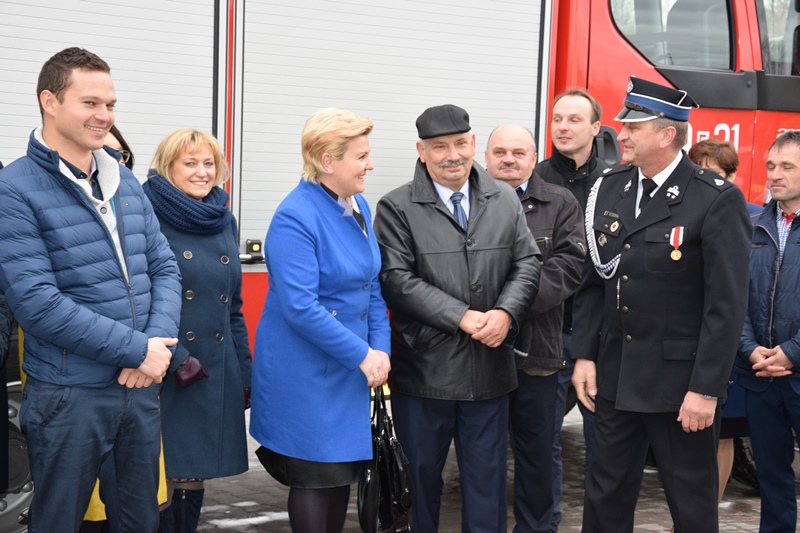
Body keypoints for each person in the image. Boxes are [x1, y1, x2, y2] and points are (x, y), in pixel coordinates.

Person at [0, 47, 182, 532]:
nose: (105, 115)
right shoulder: (13, 189)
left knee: (140, 521)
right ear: (50, 102)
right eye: (90, 103)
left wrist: (154, 345)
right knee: (59, 521)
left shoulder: (124, 181)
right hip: (69, 396)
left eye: (110, 104)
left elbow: (164, 267)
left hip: (138, 387)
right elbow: (37, 302)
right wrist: (137, 350)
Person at [571, 76, 751, 533]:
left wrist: (706, 390)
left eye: (633, 127)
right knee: (604, 496)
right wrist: (585, 355)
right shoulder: (609, 187)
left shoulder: (715, 198)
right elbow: (594, 281)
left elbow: (725, 306)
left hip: (679, 386)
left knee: (691, 504)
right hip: (615, 376)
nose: (622, 134)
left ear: (667, 134)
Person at [373, 104, 541, 532]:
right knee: (418, 486)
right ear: (421, 151)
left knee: (487, 486)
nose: (453, 155)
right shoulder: (396, 206)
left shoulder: (504, 198)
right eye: (440, 147)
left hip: (490, 372)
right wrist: (461, 317)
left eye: (461, 144)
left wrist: (505, 312)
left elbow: (528, 262)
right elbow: (395, 279)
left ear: (473, 143)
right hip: (424, 374)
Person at [249, 108, 391, 533]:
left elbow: (372, 284)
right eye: (361, 156)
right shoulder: (295, 216)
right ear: (328, 161)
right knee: (314, 476)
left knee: (340, 472)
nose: (370, 165)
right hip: (307, 373)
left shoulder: (357, 204)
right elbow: (300, 307)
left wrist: (380, 348)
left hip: (349, 366)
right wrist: (363, 354)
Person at [143, 128, 253, 532]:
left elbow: (233, 308)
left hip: (211, 368)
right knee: (161, 477)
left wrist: (245, 371)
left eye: (209, 163)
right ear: (167, 166)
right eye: (190, 163)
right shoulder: (145, 213)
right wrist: (175, 358)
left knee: (194, 473)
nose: (202, 172)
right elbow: (138, 300)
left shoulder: (223, 218)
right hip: (163, 366)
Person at [485, 124, 585, 533]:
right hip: (479, 353)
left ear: (533, 157)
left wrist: (506, 310)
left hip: (539, 355)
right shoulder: (467, 201)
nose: (508, 159)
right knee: (483, 457)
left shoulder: (560, 203)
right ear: (486, 157)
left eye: (518, 152)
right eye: (500, 152)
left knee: (539, 454)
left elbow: (568, 268)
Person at [536, 88, 608, 530]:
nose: (562, 127)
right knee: (542, 446)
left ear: (596, 128)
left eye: (574, 119)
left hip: (599, 339)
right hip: (546, 333)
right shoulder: (535, 179)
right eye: (557, 118)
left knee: (606, 447)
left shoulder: (616, 183)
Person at [736, 129, 800, 533]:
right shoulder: (751, 225)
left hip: (796, 370)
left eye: (787, 166)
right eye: (771, 165)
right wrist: (748, 348)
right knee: (772, 476)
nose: (775, 174)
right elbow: (732, 295)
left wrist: (793, 352)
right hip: (759, 375)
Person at [686, 138, 751, 506]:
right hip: (688, 343)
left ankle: (707, 510)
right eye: (699, 171)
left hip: (732, 346)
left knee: (723, 433)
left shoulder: (749, 213)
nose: (706, 180)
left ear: (731, 176)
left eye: (714, 173)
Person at [689, 138, 762, 215]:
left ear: (730, 176)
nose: (703, 179)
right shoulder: (684, 212)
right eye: (698, 173)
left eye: (712, 173)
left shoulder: (755, 215)